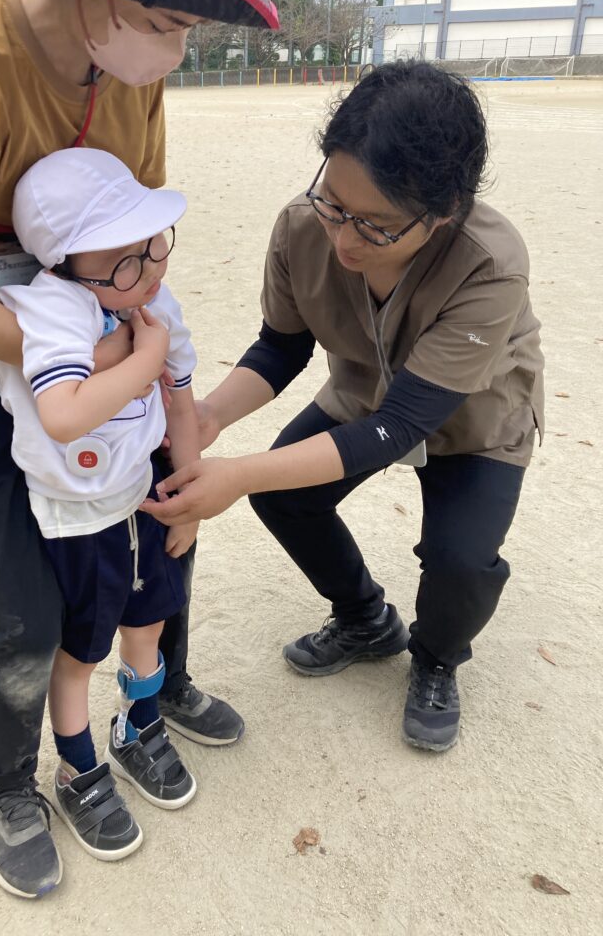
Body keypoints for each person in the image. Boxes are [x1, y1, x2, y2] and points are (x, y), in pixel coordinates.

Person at [0, 0, 277, 899]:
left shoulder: (127, 65)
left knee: (164, 515)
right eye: (166, 21)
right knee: (25, 607)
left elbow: (135, 241)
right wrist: (91, 363)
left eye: (190, 29)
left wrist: (164, 400)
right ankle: (8, 784)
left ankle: (154, 694)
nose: (174, 53)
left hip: (106, 332)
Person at [141, 60, 544, 756]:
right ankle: (364, 618)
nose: (345, 240)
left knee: (460, 560)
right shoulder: (302, 228)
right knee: (285, 497)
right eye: (334, 203)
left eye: (376, 225)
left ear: (445, 211)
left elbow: (402, 424)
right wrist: (209, 416)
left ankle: (437, 658)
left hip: (474, 422)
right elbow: (280, 348)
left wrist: (237, 474)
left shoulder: (489, 263)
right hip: (363, 397)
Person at [0, 147, 201, 869]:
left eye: (153, 244)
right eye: (123, 259)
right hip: (77, 518)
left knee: (148, 622)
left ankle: (138, 724)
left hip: (142, 495)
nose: (149, 268)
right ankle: (78, 767)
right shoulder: (51, 307)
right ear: (65, 263)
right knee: (80, 652)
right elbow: (63, 414)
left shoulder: (150, 302)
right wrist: (143, 357)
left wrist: (190, 493)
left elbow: (181, 400)